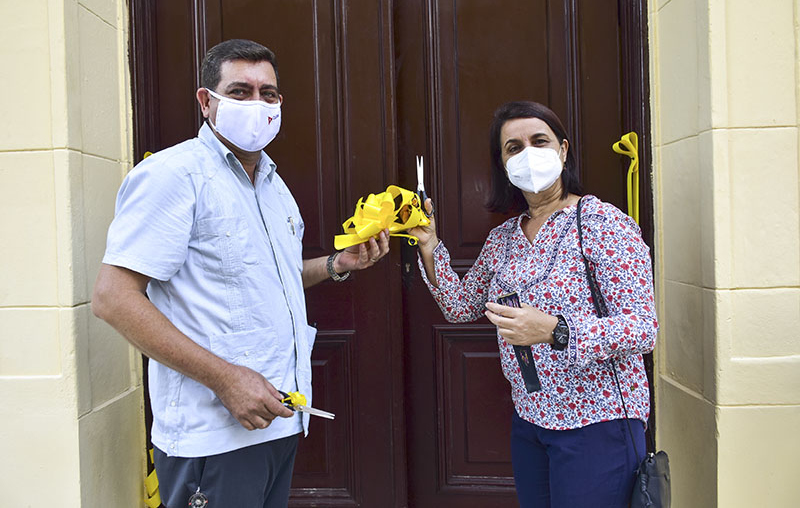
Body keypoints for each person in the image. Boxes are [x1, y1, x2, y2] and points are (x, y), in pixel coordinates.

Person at [91, 39, 389, 508]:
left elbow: (268, 278)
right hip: (213, 435)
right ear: (206, 101)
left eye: (267, 94)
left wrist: (336, 265)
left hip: (278, 419)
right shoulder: (175, 175)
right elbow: (113, 298)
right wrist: (226, 379)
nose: (257, 104)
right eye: (240, 91)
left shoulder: (273, 185)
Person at [409, 100, 658, 507]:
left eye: (538, 141)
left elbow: (643, 328)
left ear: (562, 150)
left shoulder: (600, 222)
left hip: (598, 421)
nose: (527, 153)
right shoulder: (504, 238)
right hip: (531, 420)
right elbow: (461, 307)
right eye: (513, 147)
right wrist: (429, 243)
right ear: (503, 164)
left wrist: (555, 330)